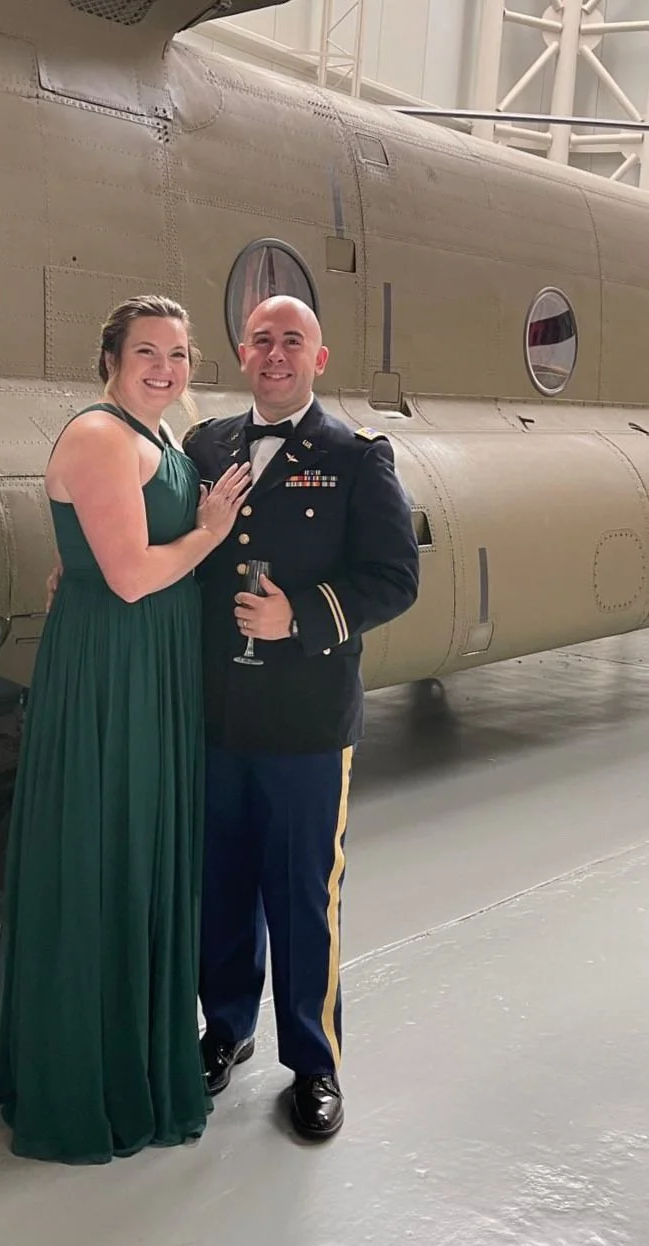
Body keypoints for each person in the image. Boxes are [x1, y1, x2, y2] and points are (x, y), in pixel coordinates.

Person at [0, 295, 251, 1164]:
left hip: (151, 665)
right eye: (147, 352)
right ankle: (85, 1067)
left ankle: (123, 1043)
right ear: (112, 359)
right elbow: (128, 579)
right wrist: (208, 533)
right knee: (103, 847)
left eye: (179, 354)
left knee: (136, 845)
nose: (166, 368)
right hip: (112, 667)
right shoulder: (98, 435)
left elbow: (94, 554)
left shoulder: (160, 439)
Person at [182, 295, 419, 1141]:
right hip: (214, 717)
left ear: (319, 360)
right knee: (221, 884)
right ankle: (227, 1028)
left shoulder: (355, 458)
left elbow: (395, 578)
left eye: (293, 342)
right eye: (262, 341)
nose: (275, 354)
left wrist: (303, 618)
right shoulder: (204, 446)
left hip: (307, 721)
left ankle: (315, 1065)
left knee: (303, 896)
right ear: (241, 354)